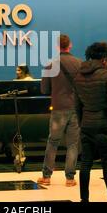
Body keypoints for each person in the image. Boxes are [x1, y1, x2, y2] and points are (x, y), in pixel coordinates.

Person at [75, 42, 107, 202]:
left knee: (85, 163)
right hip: (103, 125)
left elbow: (77, 104)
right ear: (103, 58)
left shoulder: (79, 76)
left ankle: (84, 199)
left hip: (86, 124)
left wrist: (82, 122)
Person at [38, 34, 82, 187]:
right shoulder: (79, 64)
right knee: (73, 144)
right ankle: (70, 178)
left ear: (57, 47)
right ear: (70, 45)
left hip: (58, 108)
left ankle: (46, 176)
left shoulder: (50, 64)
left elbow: (44, 89)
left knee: (53, 142)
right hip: (75, 108)